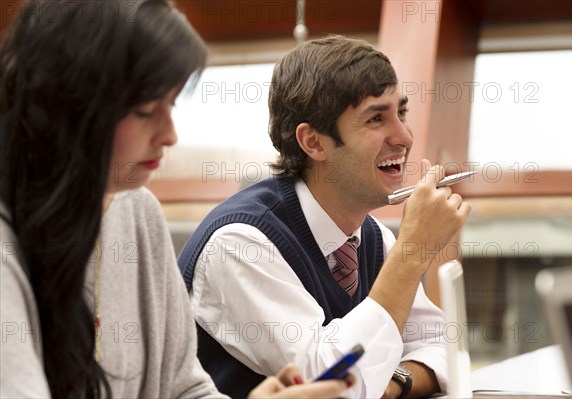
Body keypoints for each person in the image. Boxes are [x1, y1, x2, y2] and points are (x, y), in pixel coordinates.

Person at [0, 1, 351, 398]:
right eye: (146, 109)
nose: (170, 135)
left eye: (171, 105)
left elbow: (184, 387)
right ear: (68, 104)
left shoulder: (137, 209)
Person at [179, 35, 472, 398]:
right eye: (376, 118)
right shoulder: (240, 243)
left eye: (402, 112)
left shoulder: (374, 239)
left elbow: (443, 349)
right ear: (314, 142)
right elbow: (329, 383)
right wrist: (413, 252)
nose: (405, 136)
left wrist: (393, 382)